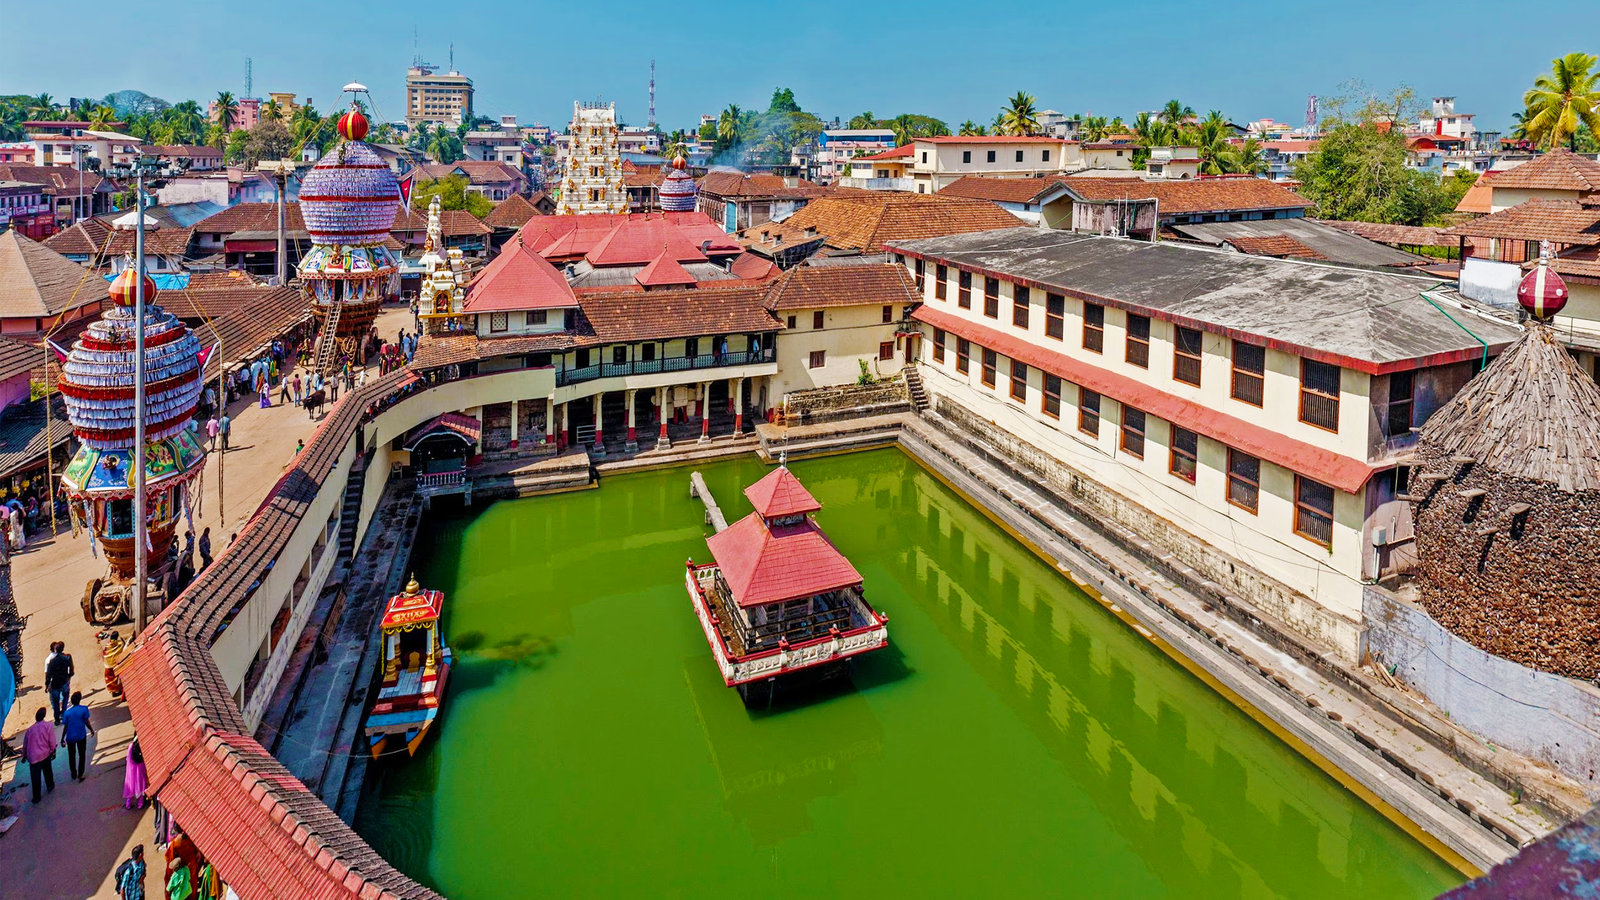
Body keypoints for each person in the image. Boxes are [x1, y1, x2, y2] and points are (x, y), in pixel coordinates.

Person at [23, 707, 56, 803]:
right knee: (48, 771)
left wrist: (24, 755)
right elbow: (52, 741)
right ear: (44, 716)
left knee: (35, 777)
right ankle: (50, 785)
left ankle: (36, 797)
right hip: (45, 754)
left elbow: (25, 744)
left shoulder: (30, 730)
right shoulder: (48, 726)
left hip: (33, 757)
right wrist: (53, 751)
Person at [62, 691, 93, 781]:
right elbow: (86, 721)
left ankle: (73, 772)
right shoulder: (84, 709)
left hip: (70, 737)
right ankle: (80, 773)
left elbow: (65, 727)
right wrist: (91, 729)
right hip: (81, 735)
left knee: (71, 755)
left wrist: (62, 738)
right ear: (79, 700)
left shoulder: (67, 713)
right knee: (82, 754)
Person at [45, 641, 73, 723]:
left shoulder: (52, 661)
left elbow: (48, 675)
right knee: (65, 699)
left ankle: (57, 719)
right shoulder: (67, 657)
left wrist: (47, 685)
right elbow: (71, 670)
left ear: (55, 651)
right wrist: (68, 677)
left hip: (55, 684)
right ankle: (64, 714)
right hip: (64, 682)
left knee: (55, 702)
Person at [124, 737, 147, 808]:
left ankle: (128, 804)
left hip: (131, 770)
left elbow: (127, 759)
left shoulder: (131, 746)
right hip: (140, 769)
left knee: (131, 786)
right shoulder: (141, 746)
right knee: (141, 785)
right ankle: (140, 804)